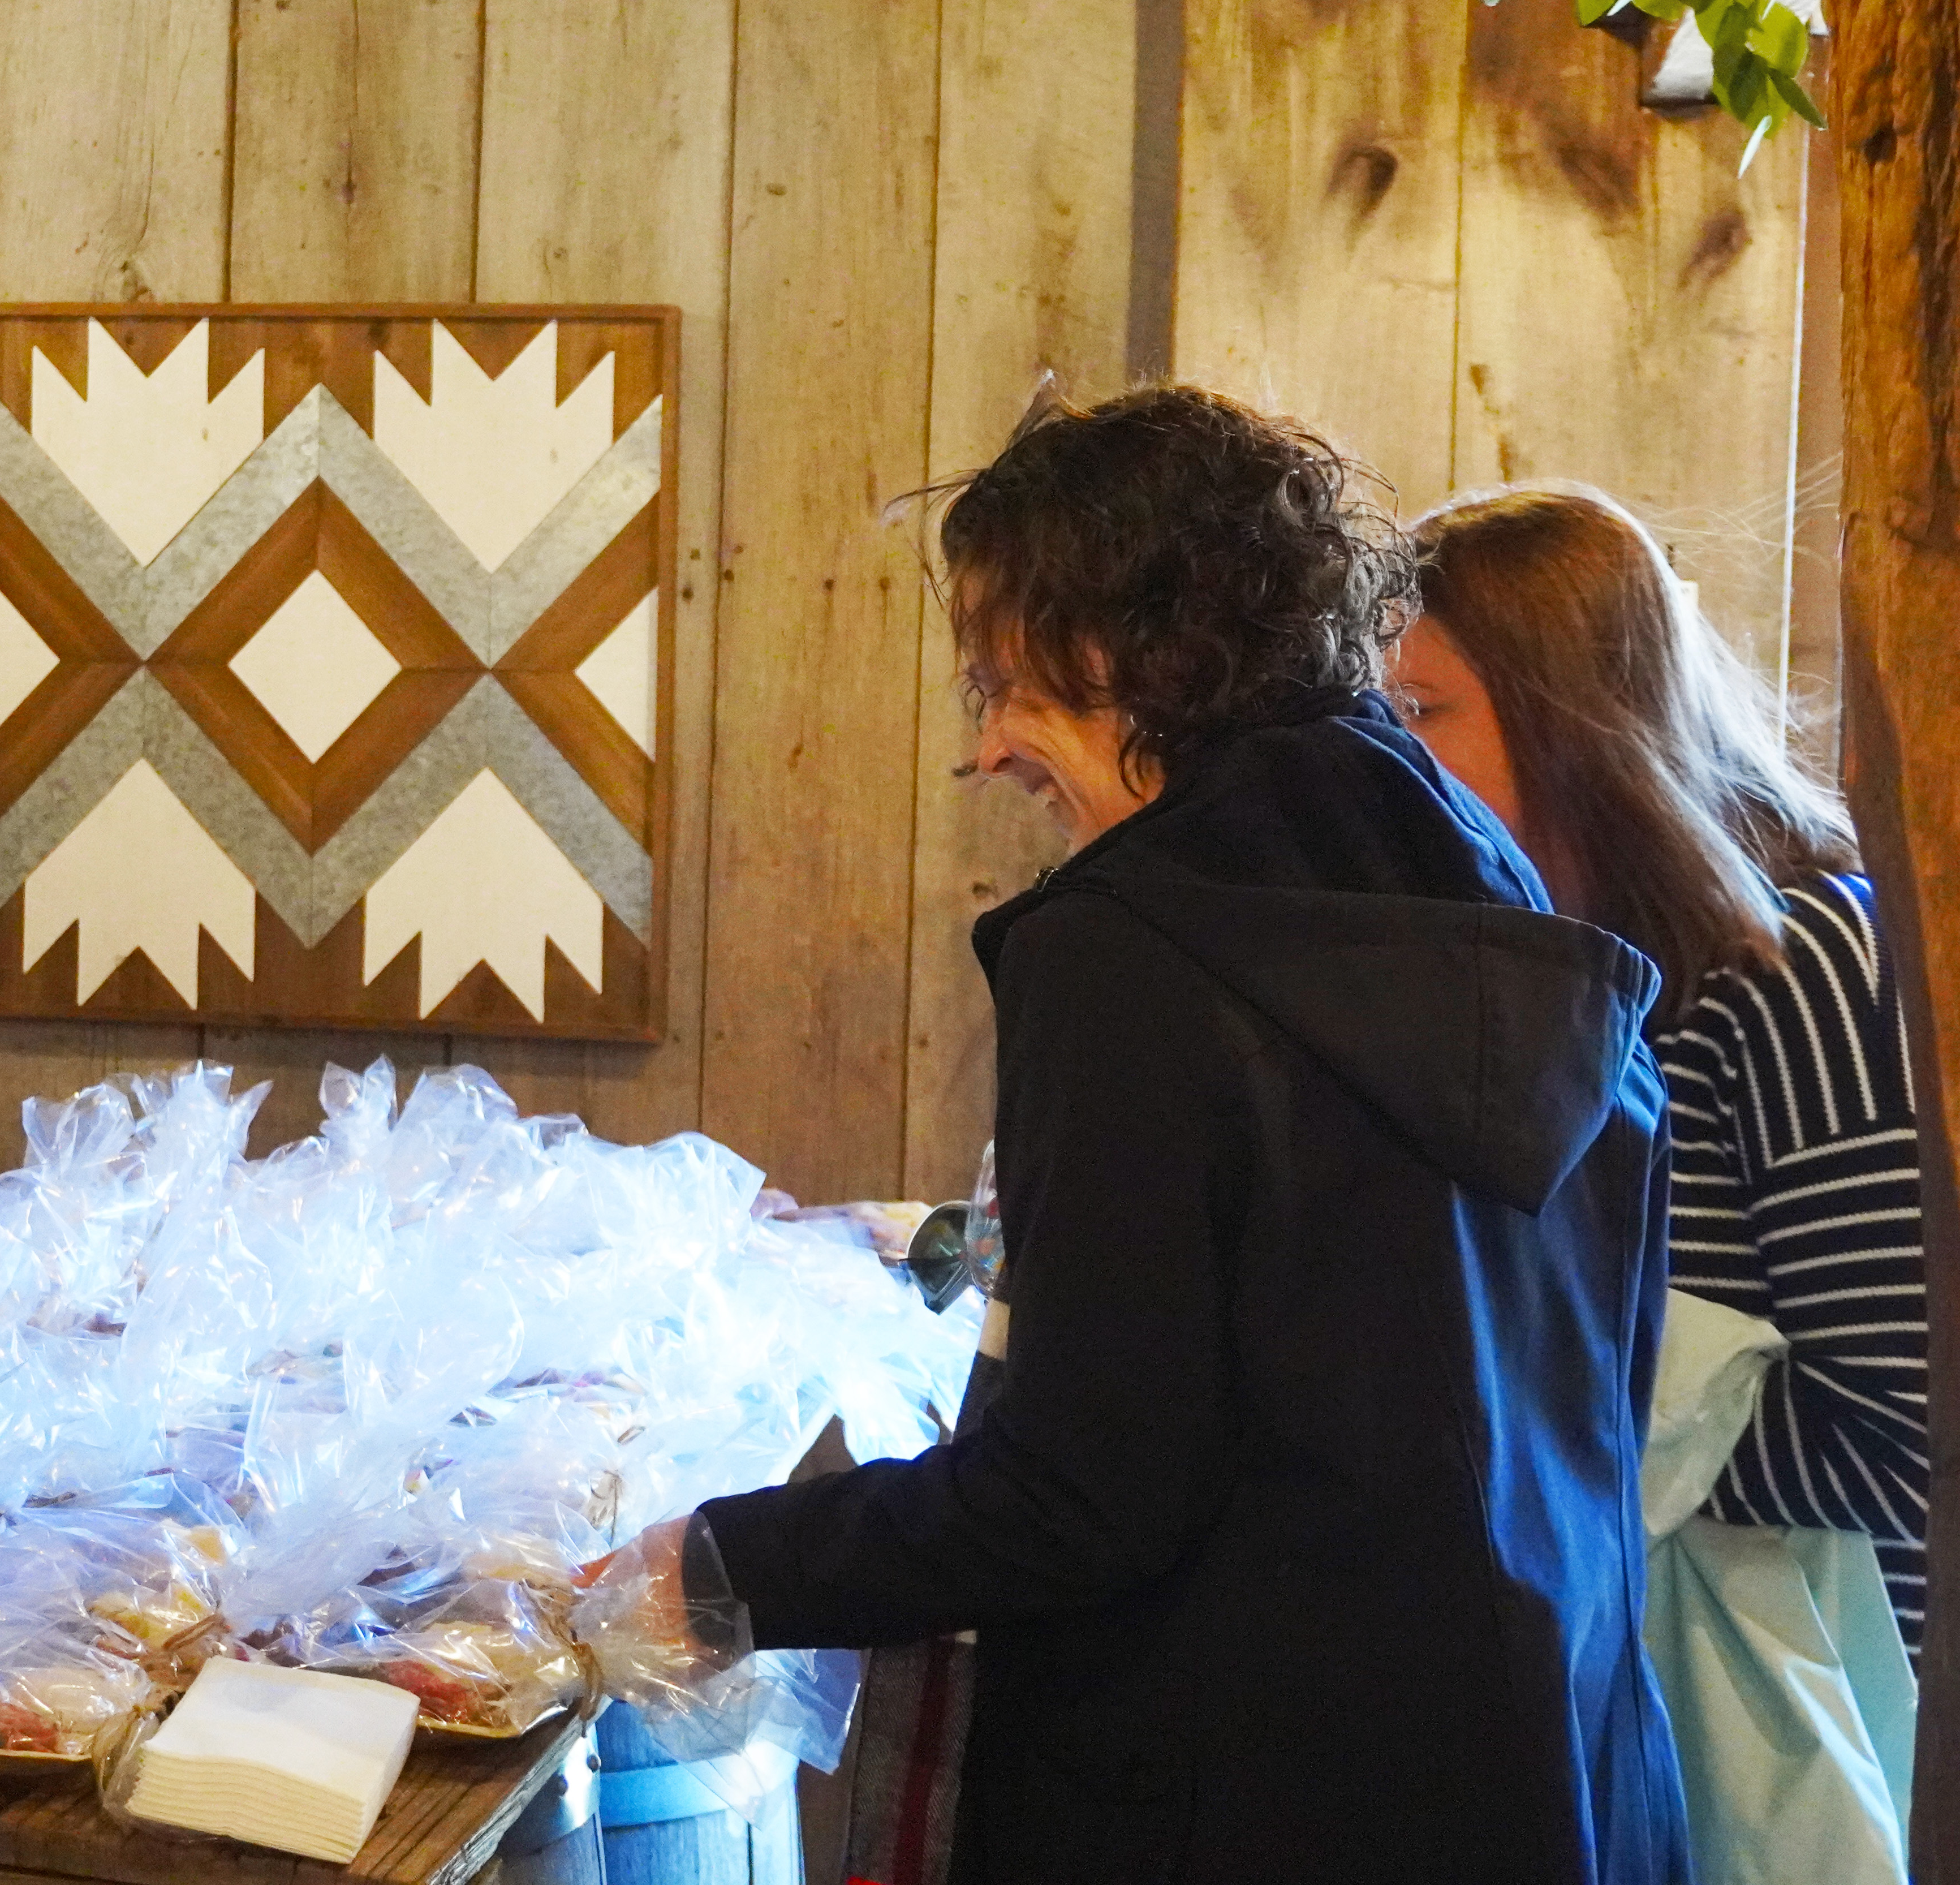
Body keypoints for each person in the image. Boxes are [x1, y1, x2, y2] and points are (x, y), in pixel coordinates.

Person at [598, 389, 1688, 1883]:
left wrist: (711, 1563)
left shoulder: (1126, 952)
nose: (984, 749)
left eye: (1002, 679)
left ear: (1122, 648)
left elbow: (1079, 1486)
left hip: (1244, 1799)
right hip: (1544, 1772)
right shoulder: (1489, 893)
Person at [1390, 484, 1923, 1877]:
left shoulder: (1796, 962)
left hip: (1834, 1729)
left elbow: (1902, 1426)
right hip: (1674, 1708)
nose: (1394, 762)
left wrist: (1554, 1444)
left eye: (1427, 712)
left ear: (1568, 715)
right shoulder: (1572, 978)